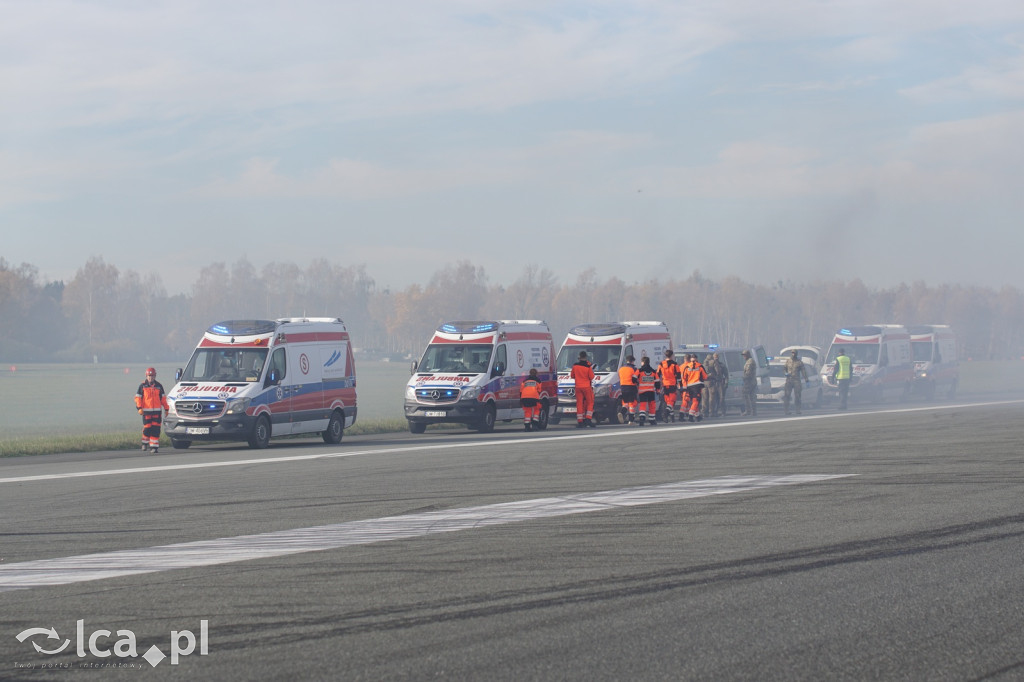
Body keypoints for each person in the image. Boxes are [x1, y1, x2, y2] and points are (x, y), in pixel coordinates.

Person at [135, 367, 169, 453]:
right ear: (146, 376)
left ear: (155, 376)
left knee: (156, 429)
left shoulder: (159, 386)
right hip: (146, 412)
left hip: (157, 412)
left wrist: (166, 409)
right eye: (149, 376)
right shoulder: (142, 386)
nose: (151, 378)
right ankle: (144, 443)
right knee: (147, 428)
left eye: (152, 376)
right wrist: (139, 408)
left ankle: (154, 447)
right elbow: (138, 398)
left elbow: (163, 399)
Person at [570, 350, 596, 428]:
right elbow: (591, 377)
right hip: (587, 387)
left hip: (578, 387)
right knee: (590, 403)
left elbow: (572, 376)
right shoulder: (588, 367)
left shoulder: (575, 366)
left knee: (579, 404)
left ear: (579, 357)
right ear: (586, 357)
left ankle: (580, 421)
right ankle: (588, 419)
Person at [681, 353, 708, 422]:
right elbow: (705, 376)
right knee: (696, 401)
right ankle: (691, 415)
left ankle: (697, 415)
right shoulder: (700, 366)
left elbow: (684, 377)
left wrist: (685, 386)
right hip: (697, 386)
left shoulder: (687, 367)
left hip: (689, 386)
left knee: (693, 401)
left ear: (690, 359)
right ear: (696, 359)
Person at [635, 356, 661, 426]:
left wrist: (637, 382)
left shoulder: (639, 371)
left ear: (643, 362)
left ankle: (642, 418)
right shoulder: (653, 371)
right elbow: (657, 382)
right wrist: (658, 390)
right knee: (652, 405)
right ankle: (652, 420)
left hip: (642, 391)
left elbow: (633, 378)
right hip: (651, 391)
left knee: (643, 404)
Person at [784, 349, 810, 415]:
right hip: (789, 380)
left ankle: (798, 409)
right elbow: (784, 369)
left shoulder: (799, 362)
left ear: (796, 354)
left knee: (798, 396)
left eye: (794, 353)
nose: (793, 354)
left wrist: (806, 380)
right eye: (792, 353)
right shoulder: (787, 361)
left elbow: (803, 371)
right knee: (787, 395)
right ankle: (786, 410)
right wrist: (785, 373)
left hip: (796, 380)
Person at [657, 349, 681, 422]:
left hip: (664, 385)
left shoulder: (661, 364)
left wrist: (659, 384)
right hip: (672, 384)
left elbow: (658, 374)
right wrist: (680, 384)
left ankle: (672, 417)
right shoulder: (675, 364)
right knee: (671, 401)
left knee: (668, 402)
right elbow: (679, 375)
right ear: (672, 355)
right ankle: (666, 413)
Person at [705, 351, 727, 418]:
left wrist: (726, 383)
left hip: (720, 383)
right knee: (713, 399)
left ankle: (723, 412)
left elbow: (726, 375)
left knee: (721, 398)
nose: (716, 358)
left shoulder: (722, 365)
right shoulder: (710, 365)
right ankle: (714, 412)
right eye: (715, 357)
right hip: (713, 383)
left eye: (717, 357)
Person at [617, 354, 639, 424]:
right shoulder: (634, 369)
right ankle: (631, 420)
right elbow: (636, 379)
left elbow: (619, 377)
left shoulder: (621, 368)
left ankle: (622, 412)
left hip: (623, 387)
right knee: (631, 404)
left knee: (625, 402)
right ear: (632, 361)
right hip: (631, 387)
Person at [741, 350, 758, 417]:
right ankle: (753, 412)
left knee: (746, 395)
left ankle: (749, 411)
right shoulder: (749, 361)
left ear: (748, 355)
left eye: (744, 355)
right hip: (751, 381)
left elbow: (748, 373)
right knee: (751, 397)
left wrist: (743, 377)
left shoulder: (750, 362)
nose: (744, 357)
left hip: (749, 382)